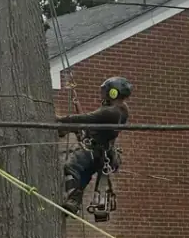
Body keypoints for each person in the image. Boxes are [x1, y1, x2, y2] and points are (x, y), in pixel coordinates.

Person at [56, 76, 132, 215]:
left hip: (97, 151)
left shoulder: (111, 112)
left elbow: (86, 118)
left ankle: (73, 198)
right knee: (84, 173)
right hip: (103, 154)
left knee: (72, 166)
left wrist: (59, 119)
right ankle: (74, 202)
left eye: (105, 92)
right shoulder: (121, 110)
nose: (102, 95)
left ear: (113, 93)